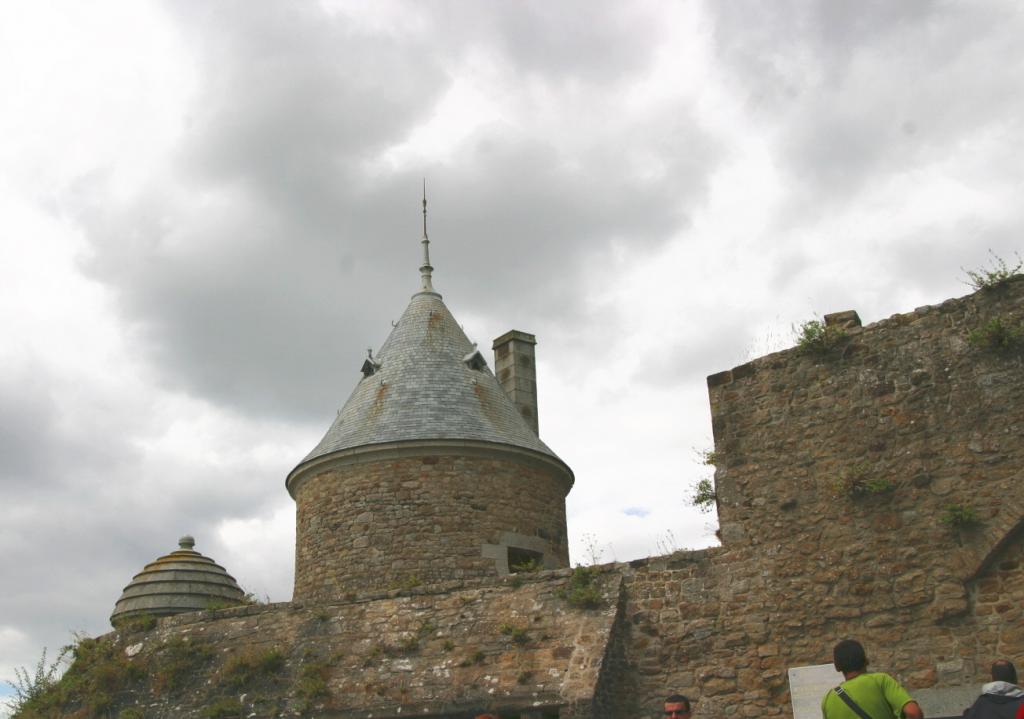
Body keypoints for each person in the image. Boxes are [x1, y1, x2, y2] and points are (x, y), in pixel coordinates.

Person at [821, 639, 923, 719]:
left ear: (837, 667)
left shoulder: (828, 699)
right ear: (866, 660)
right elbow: (913, 712)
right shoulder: (880, 680)